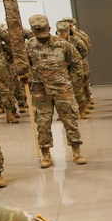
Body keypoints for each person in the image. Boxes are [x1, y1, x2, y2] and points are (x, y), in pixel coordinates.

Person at [22, 15, 88, 168]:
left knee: (70, 121)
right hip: (40, 91)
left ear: (50, 29)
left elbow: (76, 64)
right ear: (32, 31)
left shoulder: (63, 45)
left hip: (62, 89)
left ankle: (76, 151)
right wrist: (24, 77)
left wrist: (70, 84)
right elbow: (23, 67)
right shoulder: (28, 46)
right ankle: (45, 153)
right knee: (42, 123)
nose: (42, 38)